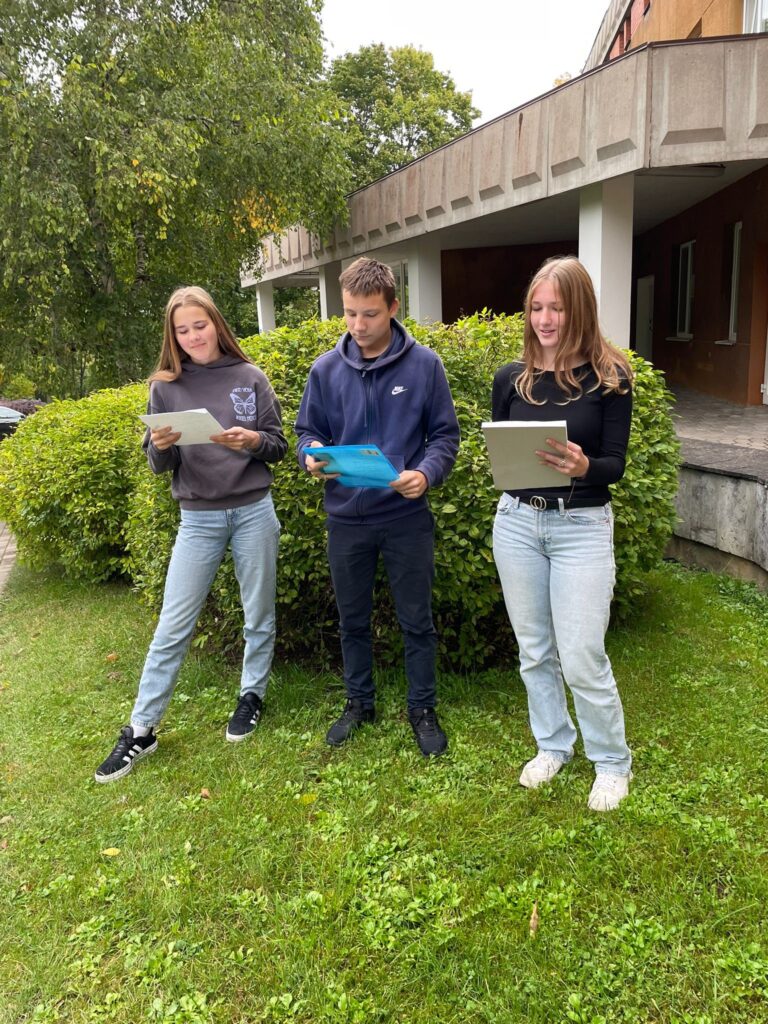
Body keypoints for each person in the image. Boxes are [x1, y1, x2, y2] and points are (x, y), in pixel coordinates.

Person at [95, 286, 286, 782]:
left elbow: (278, 446)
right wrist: (159, 445)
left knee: (258, 614)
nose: (193, 336)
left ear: (216, 324)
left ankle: (251, 695)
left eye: (199, 325)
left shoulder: (251, 377)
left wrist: (253, 440)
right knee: (173, 624)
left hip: (253, 510)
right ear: (173, 337)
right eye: (182, 330)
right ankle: (142, 729)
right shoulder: (165, 387)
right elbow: (160, 465)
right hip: (198, 519)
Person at [295, 257, 460, 756]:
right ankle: (359, 702)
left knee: (416, 621)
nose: (358, 325)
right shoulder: (325, 370)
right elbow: (307, 432)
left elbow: (445, 437)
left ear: (393, 307)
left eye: (369, 314)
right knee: (352, 620)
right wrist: (311, 456)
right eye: (349, 313)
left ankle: (422, 708)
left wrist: (425, 474)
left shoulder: (425, 366)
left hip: (406, 518)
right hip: (346, 519)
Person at [491, 256, 633, 811]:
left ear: (580, 310)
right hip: (518, 523)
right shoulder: (512, 378)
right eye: (536, 307)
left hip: (582, 525)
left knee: (581, 654)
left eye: (557, 308)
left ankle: (612, 762)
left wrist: (583, 466)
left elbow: (615, 463)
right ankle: (553, 744)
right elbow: (502, 448)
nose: (545, 319)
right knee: (534, 650)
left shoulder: (610, 377)